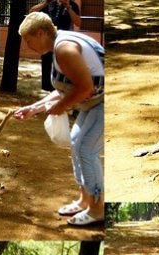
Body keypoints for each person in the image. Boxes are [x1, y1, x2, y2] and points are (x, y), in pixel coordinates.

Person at [14, 12, 104, 226]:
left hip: (104, 103)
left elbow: (85, 88)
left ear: (41, 33)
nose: (28, 46)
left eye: (29, 40)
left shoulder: (64, 49)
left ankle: (98, 209)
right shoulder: (58, 47)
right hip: (93, 103)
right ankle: (85, 200)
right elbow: (67, 88)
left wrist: (60, 107)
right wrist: (33, 108)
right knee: (76, 144)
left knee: (86, 150)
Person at [30, 0, 81, 92]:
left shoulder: (73, 5)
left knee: (62, 66)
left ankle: (62, 90)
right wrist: (46, 3)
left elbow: (78, 22)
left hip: (63, 42)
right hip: (47, 42)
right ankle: (49, 91)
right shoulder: (49, 3)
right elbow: (32, 12)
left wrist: (68, 7)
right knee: (47, 66)